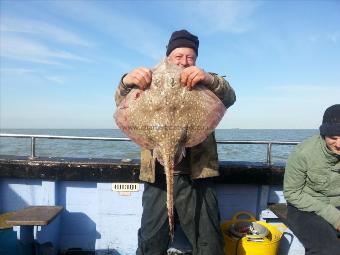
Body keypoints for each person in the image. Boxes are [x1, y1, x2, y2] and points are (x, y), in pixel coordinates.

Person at [115, 29, 236, 255]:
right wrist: (126, 80)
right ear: (168, 56)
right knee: (151, 241)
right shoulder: (148, 78)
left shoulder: (204, 80)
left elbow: (229, 97)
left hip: (198, 175)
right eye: (178, 56)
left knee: (208, 242)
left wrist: (209, 79)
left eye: (190, 57)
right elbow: (120, 100)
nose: (184, 62)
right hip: (157, 176)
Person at [284, 104, 340, 255]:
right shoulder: (303, 153)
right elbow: (292, 193)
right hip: (305, 208)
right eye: (333, 138)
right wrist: (334, 216)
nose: (339, 144)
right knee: (328, 250)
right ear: (323, 135)